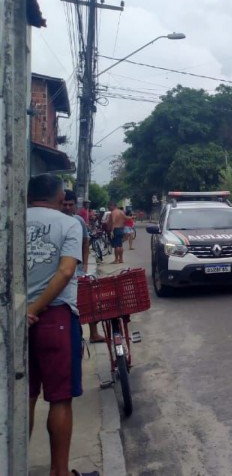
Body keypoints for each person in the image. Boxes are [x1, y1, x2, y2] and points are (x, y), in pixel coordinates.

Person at [27, 175, 100, 476]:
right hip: (54, 318)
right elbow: (68, 270)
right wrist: (36, 309)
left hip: (15, 319)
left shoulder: (10, 220)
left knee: (24, 396)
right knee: (59, 398)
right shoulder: (68, 223)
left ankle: (14, 465)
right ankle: (59, 472)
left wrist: (22, 311)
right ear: (59, 198)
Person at [62, 190, 105, 343]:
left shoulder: (79, 220)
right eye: (64, 204)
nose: (67, 207)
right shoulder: (57, 221)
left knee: (90, 301)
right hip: (61, 273)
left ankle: (93, 333)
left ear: (75, 205)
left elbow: (85, 242)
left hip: (78, 270)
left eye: (70, 205)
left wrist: (85, 263)